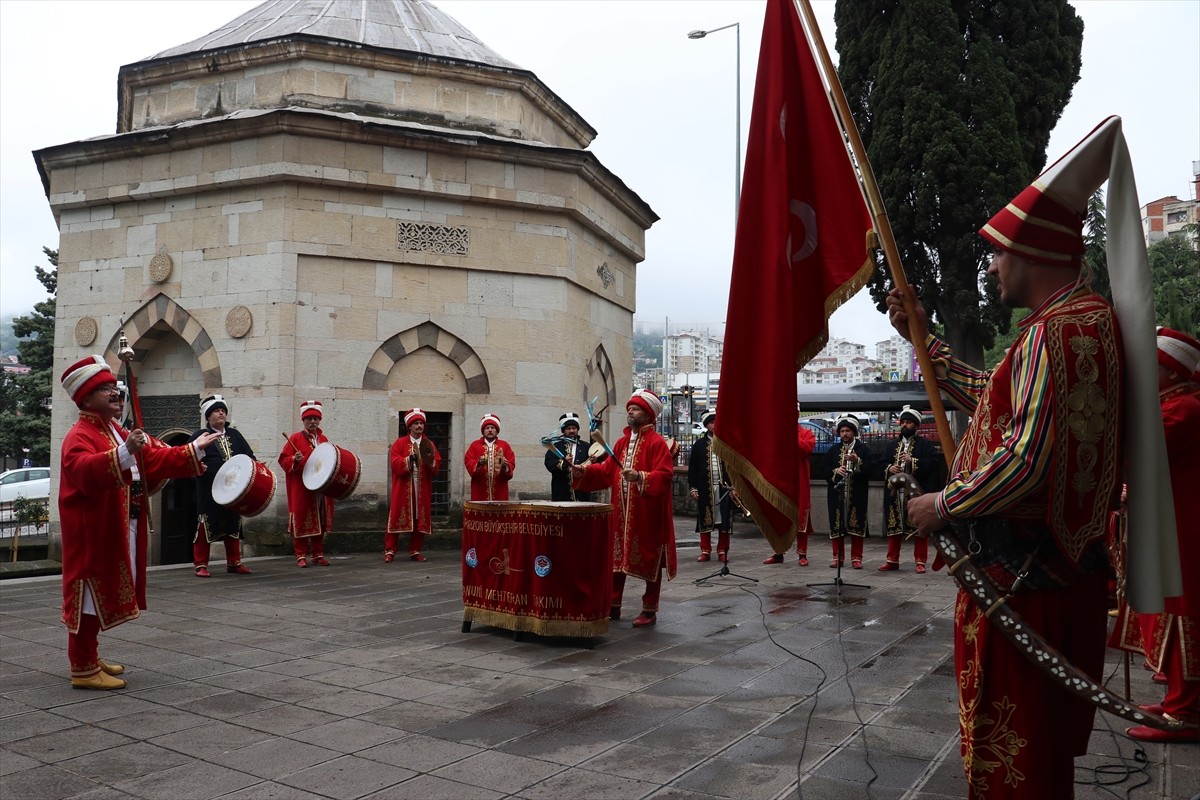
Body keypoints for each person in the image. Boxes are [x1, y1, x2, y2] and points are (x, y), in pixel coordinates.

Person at [886, 121, 1134, 799]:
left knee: (1016, 778)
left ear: (1033, 251)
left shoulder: (1056, 334)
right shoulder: (1076, 324)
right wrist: (927, 346)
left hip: (1029, 588)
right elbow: (1004, 401)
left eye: (997, 254)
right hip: (1057, 583)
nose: (991, 267)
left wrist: (943, 504)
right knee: (1035, 771)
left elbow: (1025, 459)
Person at [58, 355, 219, 689]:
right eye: (105, 389)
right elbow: (85, 470)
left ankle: (90, 654)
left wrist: (194, 449)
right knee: (89, 594)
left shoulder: (114, 429)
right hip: (92, 531)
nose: (116, 393)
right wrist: (124, 452)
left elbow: (154, 456)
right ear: (86, 399)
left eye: (114, 387)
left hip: (115, 525)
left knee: (104, 590)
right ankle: (83, 667)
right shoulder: (79, 435)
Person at [1114, 328, 1200, 743]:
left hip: (1183, 530)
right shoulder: (1168, 404)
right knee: (1168, 612)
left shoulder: (1184, 408)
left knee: (1183, 615)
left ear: (1167, 370)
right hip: (1169, 526)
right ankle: (1174, 700)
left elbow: (1139, 451)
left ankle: (1185, 713)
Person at [572, 390, 676, 627]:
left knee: (649, 559)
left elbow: (665, 475)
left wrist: (640, 476)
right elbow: (608, 470)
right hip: (620, 512)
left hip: (647, 514)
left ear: (648, 414)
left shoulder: (657, 443)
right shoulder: (621, 443)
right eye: (629, 408)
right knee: (616, 560)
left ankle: (650, 609)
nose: (630, 411)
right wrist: (585, 471)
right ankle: (613, 604)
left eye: (636, 408)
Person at [190, 394, 256, 577]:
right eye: (217, 411)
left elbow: (249, 455)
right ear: (208, 416)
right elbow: (187, 458)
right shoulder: (200, 436)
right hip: (208, 488)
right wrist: (198, 467)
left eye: (223, 411)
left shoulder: (235, 434)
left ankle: (234, 562)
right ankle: (201, 564)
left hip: (234, 489)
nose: (221, 414)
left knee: (233, 523)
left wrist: (254, 468)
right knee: (206, 523)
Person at [878, 406, 941, 573]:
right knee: (894, 525)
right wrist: (890, 468)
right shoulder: (892, 445)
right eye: (903, 422)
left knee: (918, 527)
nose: (904, 425)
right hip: (894, 494)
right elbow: (881, 464)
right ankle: (892, 560)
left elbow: (934, 463)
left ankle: (920, 561)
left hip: (915, 493)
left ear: (916, 425)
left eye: (908, 422)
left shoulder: (925, 444)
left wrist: (913, 461)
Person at [278, 400, 334, 568]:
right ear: (303, 421)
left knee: (320, 519)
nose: (312, 422)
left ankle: (318, 554)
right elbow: (283, 460)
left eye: (315, 418)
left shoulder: (323, 439)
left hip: (320, 487)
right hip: (301, 486)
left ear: (319, 420)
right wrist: (294, 460)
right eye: (309, 419)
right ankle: (300, 555)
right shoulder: (294, 438)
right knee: (301, 519)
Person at [387, 408, 442, 562]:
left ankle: (415, 550)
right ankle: (390, 550)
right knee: (397, 515)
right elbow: (395, 463)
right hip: (404, 486)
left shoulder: (428, 443)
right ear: (409, 426)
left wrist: (430, 461)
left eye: (421, 423)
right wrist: (408, 460)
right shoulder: (399, 443)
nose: (419, 426)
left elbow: (436, 463)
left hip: (422, 487)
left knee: (420, 518)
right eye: (416, 423)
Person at [764, 416, 817, 566]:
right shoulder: (777, 435)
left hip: (799, 483)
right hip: (782, 482)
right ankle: (778, 552)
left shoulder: (807, 433)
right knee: (779, 518)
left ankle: (802, 554)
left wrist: (791, 435)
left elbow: (805, 449)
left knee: (801, 517)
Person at [688, 410, 735, 562]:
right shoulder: (699, 445)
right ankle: (705, 550)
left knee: (724, 520)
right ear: (706, 425)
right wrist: (693, 487)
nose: (715, 425)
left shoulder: (727, 444)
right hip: (704, 487)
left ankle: (722, 550)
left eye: (717, 422)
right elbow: (692, 468)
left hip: (724, 488)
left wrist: (734, 487)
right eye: (712, 422)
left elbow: (734, 467)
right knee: (705, 518)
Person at [825, 416, 871, 568]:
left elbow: (872, 470)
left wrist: (858, 461)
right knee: (836, 524)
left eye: (848, 431)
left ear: (854, 432)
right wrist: (836, 471)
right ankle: (838, 557)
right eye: (842, 431)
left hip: (857, 493)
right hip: (836, 493)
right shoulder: (833, 450)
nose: (845, 434)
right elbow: (823, 471)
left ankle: (856, 558)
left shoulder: (863, 449)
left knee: (857, 523)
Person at [463, 413, 515, 501]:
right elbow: (468, 461)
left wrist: (505, 465)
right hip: (479, 488)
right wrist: (478, 463)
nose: (490, 430)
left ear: (497, 431)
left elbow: (512, 462)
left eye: (492, 428)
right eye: (487, 428)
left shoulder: (505, 445)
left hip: (500, 488)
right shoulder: (474, 445)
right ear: (483, 431)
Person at [545, 413, 593, 502]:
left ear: (577, 430)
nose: (571, 431)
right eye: (568, 428)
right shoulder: (555, 447)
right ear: (563, 431)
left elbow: (594, 466)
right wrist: (563, 462)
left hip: (582, 492)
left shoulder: (586, 446)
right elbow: (549, 464)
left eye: (574, 428)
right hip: (561, 492)